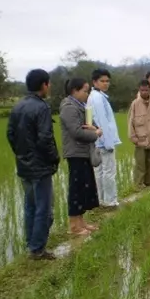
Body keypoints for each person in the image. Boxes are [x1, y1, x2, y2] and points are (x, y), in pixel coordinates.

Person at [5, 69, 60, 260]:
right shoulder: (42, 107)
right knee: (43, 208)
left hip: (24, 165)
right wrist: (54, 158)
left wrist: (21, 154)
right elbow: (45, 139)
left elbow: (10, 135)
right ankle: (38, 249)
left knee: (30, 205)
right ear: (44, 85)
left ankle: (32, 244)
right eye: (49, 83)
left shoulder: (18, 106)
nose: (50, 86)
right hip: (40, 167)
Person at [59, 77, 100, 240]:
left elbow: (90, 126)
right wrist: (95, 133)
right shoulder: (69, 107)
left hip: (84, 152)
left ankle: (81, 222)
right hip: (75, 153)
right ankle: (74, 225)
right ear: (74, 91)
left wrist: (95, 129)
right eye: (85, 90)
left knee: (84, 188)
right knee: (76, 188)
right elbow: (76, 132)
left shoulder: (81, 105)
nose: (87, 93)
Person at [86, 70, 121, 208]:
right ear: (94, 82)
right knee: (108, 172)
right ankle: (111, 201)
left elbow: (89, 121)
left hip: (97, 141)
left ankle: (101, 200)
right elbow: (102, 122)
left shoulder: (92, 97)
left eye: (107, 81)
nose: (106, 83)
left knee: (99, 172)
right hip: (104, 141)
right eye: (102, 81)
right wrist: (108, 143)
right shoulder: (98, 98)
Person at [128, 79, 150, 190]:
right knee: (140, 166)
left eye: (146, 90)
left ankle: (148, 184)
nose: (144, 92)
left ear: (149, 90)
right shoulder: (135, 104)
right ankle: (138, 186)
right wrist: (134, 139)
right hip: (141, 140)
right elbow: (130, 122)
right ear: (139, 90)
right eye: (142, 90)